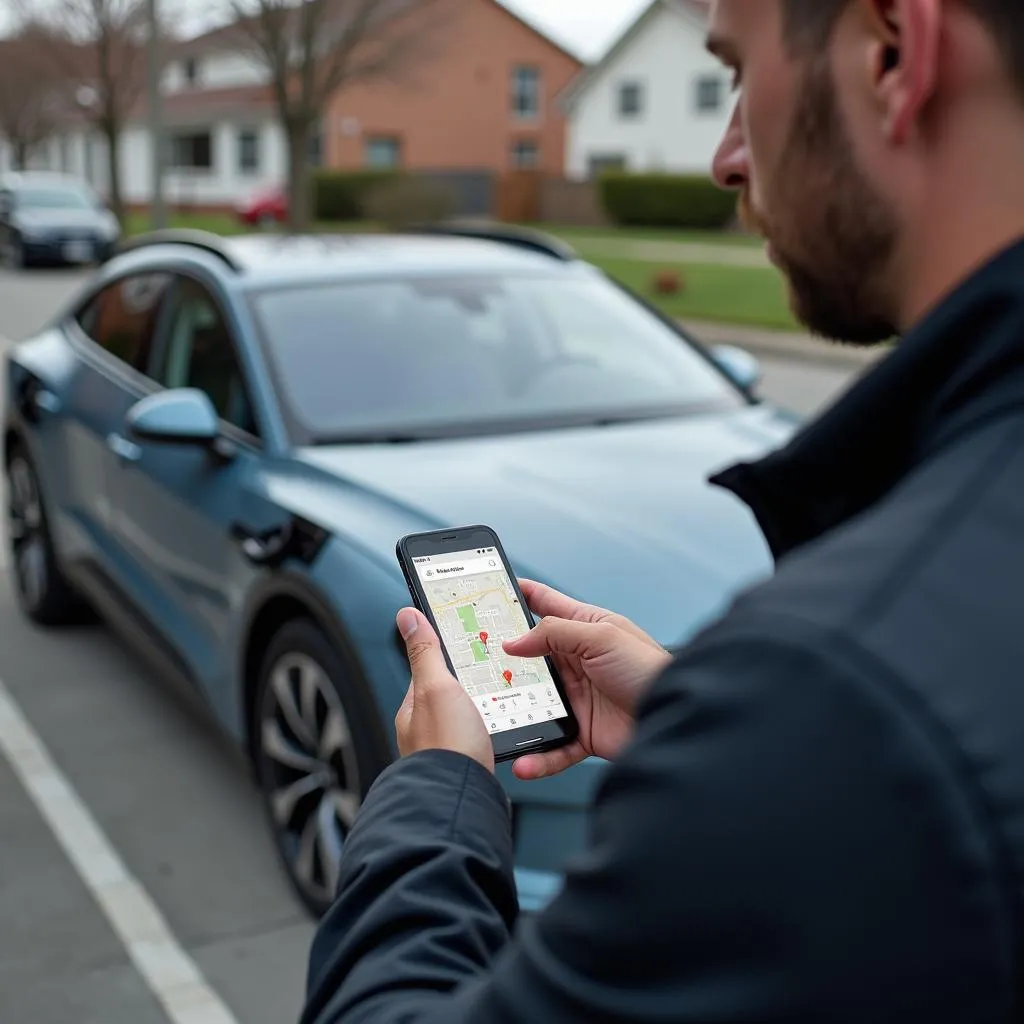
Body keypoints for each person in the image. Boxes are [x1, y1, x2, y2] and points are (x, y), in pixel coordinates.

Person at [300, 0, 1024, 1020]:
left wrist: (439, 792)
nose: (727, 157)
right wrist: (720, 738)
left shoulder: (835, 682)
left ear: (892, 52)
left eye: (736, 73)